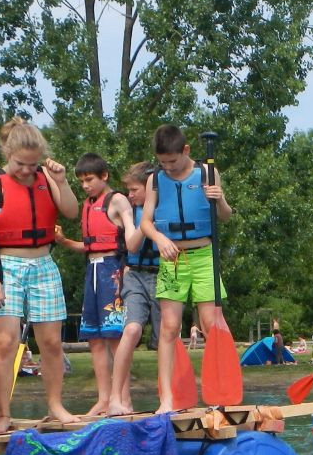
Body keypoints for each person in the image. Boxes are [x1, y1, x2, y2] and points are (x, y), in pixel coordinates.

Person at [0, 117, 81, 431]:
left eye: (33, 165)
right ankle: (3, 413)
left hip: (44, 264)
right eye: (20, 164)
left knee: (52, 343)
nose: (26, 171)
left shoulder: (46, 176)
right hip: (8, 266)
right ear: (8, 153)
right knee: (4, 343)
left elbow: (71, 212)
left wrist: (61, 181)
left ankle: (55, 405)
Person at [141, 125, 233, 413]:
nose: (167, 167)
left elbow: (226, 217)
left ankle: (218, 395)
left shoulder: (207, 173)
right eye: (162, 162)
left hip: (204, 255)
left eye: (173, 161)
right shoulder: (155, 180)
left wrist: (220, 200)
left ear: (186, 151)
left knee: (211, 324)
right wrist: (159, 238)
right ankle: (167, 398)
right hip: (173, 258)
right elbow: (145, 222)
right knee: (169, 327)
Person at [53, 153, 132, 416]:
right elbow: (88, 246)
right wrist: (64, 242)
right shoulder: (88, 204)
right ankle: (104, 398)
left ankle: (124, 399)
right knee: (95, 339)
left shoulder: (117, 200)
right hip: (93, 270)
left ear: (104, 176)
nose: (85, 186)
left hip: (113, 270)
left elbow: (130, 236)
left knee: (114, 337)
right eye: (82, 182)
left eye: (89, 180)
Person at [108, 162, 160, 415]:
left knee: (165, 339)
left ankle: (169, 399)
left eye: (135, 189)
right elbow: (132, 245)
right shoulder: (131, 211)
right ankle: (115, 397)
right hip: (136, 275)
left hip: (164, 276)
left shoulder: (167, 207)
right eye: (128, 189)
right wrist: (146, 221)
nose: (130, 195)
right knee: (131, 330)